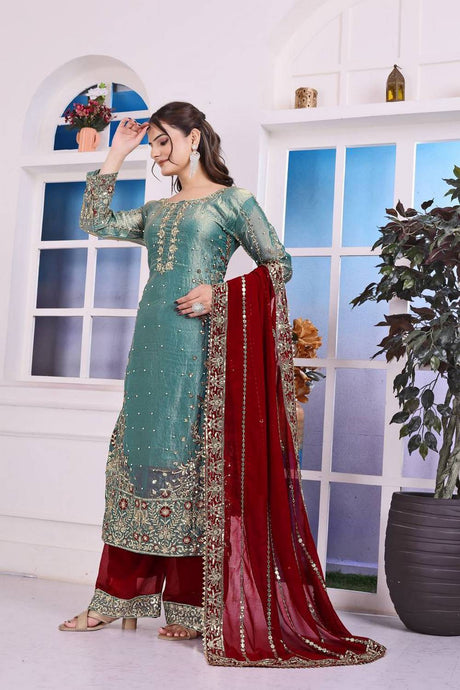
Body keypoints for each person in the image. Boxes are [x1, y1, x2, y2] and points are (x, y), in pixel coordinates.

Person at [59, 102, 385, 667]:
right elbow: (95, 221)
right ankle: (115, 595)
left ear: (194, 138)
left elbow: (278, 265)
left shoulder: (234, 203)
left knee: (192, 467)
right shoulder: (155, 211)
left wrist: (220, 294)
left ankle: (190, 604)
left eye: (164, 141)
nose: (157, 153)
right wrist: (117, 153)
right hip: (151, 347)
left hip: (199, 349)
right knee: (140, 461)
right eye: (152, 144)